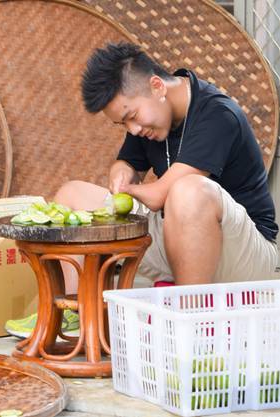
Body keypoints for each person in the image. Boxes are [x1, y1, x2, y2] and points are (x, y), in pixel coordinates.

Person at [54, 42, 277, 289]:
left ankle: (189, 308)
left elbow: (159, 195)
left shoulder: (218, 114)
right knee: (72, 195)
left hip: (243, 254)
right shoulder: (149, 121)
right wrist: (121, 173)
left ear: (157, 86)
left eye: (132, 117)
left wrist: (128, 190)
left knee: (188, 191)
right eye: (123, 124)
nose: (133, 130)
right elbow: (127, 163)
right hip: (178, 238)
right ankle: (75, 309)